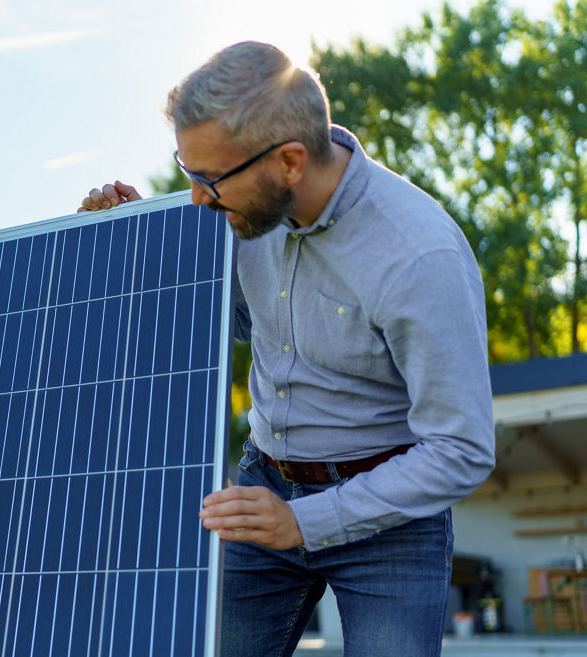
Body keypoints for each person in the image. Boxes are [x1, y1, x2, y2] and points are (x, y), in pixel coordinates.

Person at [79, 41, 495, 657]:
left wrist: (305, 522)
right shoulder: (248, 210)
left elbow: (461, 449)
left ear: (290, 162)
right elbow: (240, 319)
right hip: (263, 488)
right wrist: (147, 241)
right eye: (188, 171)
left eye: (210, 179)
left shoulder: (418, 257)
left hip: (391, 517)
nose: (196, 198)